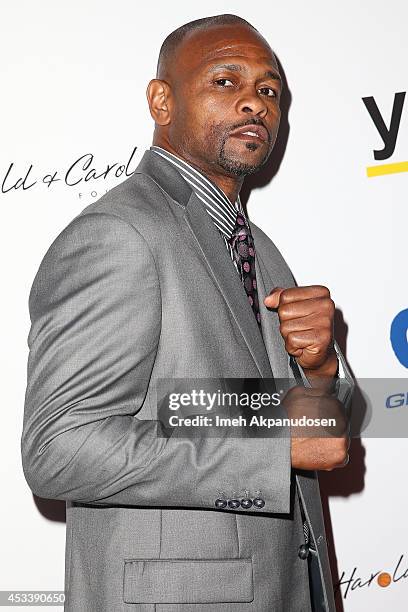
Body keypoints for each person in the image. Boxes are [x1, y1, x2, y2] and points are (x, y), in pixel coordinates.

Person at [21, 14, 353, 612]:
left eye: (269, 90)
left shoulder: (260, 247)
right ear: (161, 101)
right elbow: (59, 449)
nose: (254, 101)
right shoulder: (119, 233)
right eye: (226, 81)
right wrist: (274, 453)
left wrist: (322, 370)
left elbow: (286, 423)